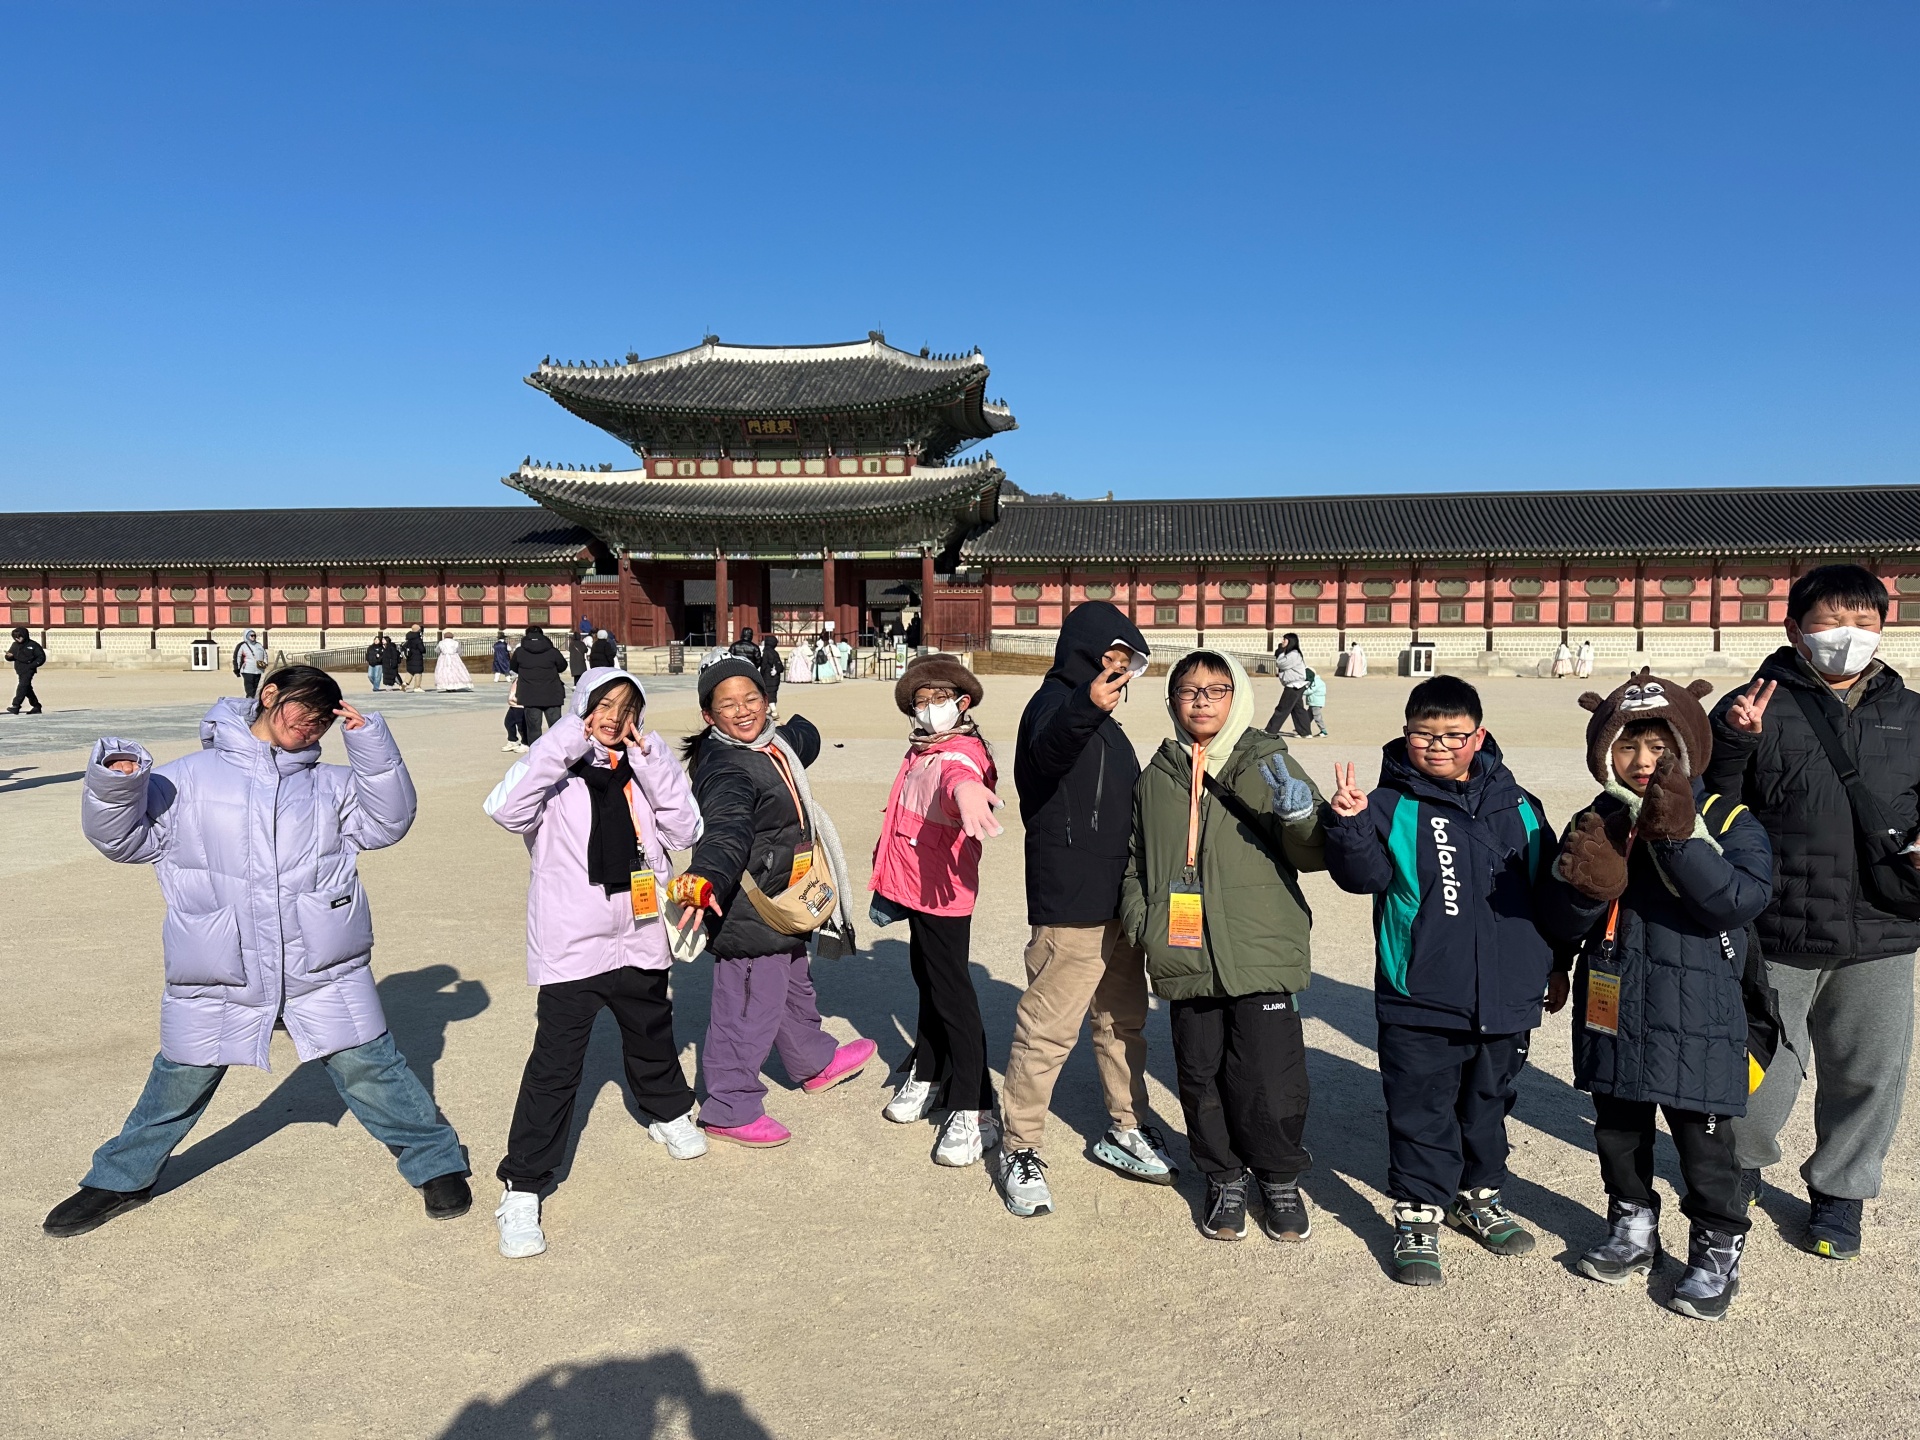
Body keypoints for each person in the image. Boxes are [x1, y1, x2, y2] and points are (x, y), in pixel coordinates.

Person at [43, 666, 471, 1238]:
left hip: (319, 959)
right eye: (304, 707)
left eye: (324, 717)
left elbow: (389, 823)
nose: (312, 723)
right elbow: (121, 841)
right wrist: (118, 784)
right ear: (269, 695)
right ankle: (120, 1178)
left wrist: (369, 742)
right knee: (180, 1077)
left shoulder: (332, 785)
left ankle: (435, 1163)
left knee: (370, 1066)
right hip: (221, 958)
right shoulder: (185, 780)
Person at [1703, 564, 1920, 1262]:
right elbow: (1710, 804)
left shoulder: (1912, 712)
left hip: (1884, 925)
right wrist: (1734, 743)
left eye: (1865, 621)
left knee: (1868, 1071)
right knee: (1760, 1066)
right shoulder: (1748, 705)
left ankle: (1841, 1191)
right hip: (1778, 922)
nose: (1848, 635)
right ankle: (1741, 1164)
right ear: (1795, 628)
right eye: (1832, 620)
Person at [1543, 670, 1772, 1321]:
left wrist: (1676, 838)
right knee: (1618, 1130)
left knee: (1705, 1143)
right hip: (1613, 1000)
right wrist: (1587, 888)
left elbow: (1739, 899)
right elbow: (1560, 919)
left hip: (1699, 1010)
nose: (1642, 761)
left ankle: (1717, 1244)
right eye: (1627, 746)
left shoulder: (1725, 815)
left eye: (1658, 747)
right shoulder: (1597, 818)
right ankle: (1632, 1223)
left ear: (1687, 745)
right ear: (1604, 752)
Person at [1322, 675, 1560, 1285]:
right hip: (1420, 992)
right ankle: (1419, 1212)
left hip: (1507, 994)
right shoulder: (1388, 805)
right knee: (1420, 1106)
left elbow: (1549, 895)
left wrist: (1556, 962)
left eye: (1454, 735)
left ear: (1479, 736)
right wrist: (1349, 826)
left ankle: (1477, 1196)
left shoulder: (1522, 806)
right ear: (1406, 735)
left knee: (1488, 1103)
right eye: (1424, 734)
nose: (1438, 745)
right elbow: (1363, 879)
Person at [482, 666, 708, 1258]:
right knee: (555, 1063)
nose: (613, 718)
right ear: (581, 708)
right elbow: (505, 810)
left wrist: (653, 761)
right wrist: (563, 741)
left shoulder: (642, 768)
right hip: (573, 940)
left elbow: (685, 830)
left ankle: (668, 1112)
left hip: (640, 932)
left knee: (652, 1032)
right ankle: (523, 1184)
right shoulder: (554, 770)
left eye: (626, 709)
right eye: (602, 706)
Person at [1120, 650, 1328, 1242]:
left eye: (1216, 689)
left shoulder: (1267, 760)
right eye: (1189, 690)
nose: (1202, 700)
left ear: (1237, 697)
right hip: (1183, 946)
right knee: (1200, 1071)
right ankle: (1224, 1175)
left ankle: (1279, 1177)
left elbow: (1313, 853)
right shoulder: (1158, 775)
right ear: (1172, 700)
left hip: (1259, 945)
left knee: (1271, 1073)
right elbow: (1135, 858)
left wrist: (1301, 816)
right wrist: (1143, 921)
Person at [998, 602, 1169, 1220]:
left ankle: (1127, 1126)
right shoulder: (1052, 705)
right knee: (1047, 1031)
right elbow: (1045, 759)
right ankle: (1019, 1145)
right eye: (1114, 656)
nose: (1121, 670)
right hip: (1070, 901)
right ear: (1087, 651)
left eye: (1129, 662)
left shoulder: (1108, 726)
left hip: (1118, 898)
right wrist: (1085, 706)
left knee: (1123, 1023)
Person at [670, 658, 873, 1147]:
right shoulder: (726, 769)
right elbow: (725, 832)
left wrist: (806, 729)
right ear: (708, 716)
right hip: (747, 906)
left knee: (794, 983)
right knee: (746, 1008)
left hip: (782, 893)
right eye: (728, 705)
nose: (743, 711)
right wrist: (706, 878)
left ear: (767, 702)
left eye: (752, 699)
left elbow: (801, 740)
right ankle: (729, 1106)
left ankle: (813, 1060)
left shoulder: (772, 743)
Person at [871, 655, 1007, 1166]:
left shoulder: (959, 751)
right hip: (916, 887)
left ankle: (975, 1106)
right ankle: (928, 1072)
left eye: (940, 699)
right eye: (921, 702)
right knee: (927, 981)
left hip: (944, 892)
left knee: (952, 995)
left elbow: (961, 777)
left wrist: (968, 791)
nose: (929, 709)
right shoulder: (921, 750)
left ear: (962, 702)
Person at [511, 625, 569, 742]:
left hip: (529, 694)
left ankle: (536, 751)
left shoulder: (520, 652)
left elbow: (513, 667)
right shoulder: (552, 651)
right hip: (552, 693)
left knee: (533, 729)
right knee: (556, 728)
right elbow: (562, 666)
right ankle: (557, 751)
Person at [1265, 632, 1312, 737]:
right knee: (1298, 709)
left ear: (1290, 641)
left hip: (1294, 685)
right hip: (1295, 685)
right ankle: (1305, 732)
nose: (1282, 641)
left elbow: (1281, 664)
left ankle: (1270, 730)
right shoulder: (1291, 654)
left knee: (1282, 708)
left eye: (1284, 639)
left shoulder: (1293, 654)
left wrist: (1280, 652)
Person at [7, 625, 47, 714]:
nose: (18, 639)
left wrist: (32, 665)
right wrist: (8, 656)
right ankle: (36, 706)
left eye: (19, 637)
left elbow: (41, 657)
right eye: (16, 637)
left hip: (29, 670)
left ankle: (16, 705)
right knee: (26, 688)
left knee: (22, 686)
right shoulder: (15, 645)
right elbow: (11, 656)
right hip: (19, 669)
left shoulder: (33, 645)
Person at [232, 629, 267, 699]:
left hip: (258, 670)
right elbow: (237, 657)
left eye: (254, 635)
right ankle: (249, 699)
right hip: (247, 669)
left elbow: (265, 655)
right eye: (251, 635)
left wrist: (265, 663)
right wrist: (237, 669)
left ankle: (253, 699)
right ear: (247, 636)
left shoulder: (259, 645)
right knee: (249, 687)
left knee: (255, 687)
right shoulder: (242, 646)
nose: (253, 637)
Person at [502, 676, 528, 752]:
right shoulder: (517, 678)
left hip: (520, 705)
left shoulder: (525, 678)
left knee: (521, 726)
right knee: (508, 723)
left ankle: (526, 743)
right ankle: (512, 740)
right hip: (513, 705)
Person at [759, 632, 783, 710]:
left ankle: (773, 710)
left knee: (768, 693)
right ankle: (773, 709)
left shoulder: (766, 652)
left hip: (767, 675)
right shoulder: (775, 653)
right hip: (775, 676)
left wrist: (761, 674)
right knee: (773, 692)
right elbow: (780, 665)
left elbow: (764, 664)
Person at [1304, 667, 1330, 737]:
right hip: (1312, 702)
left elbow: (1310, 691)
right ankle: (1303, 728)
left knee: (1317, 716)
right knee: (1307, 716)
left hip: (1316, 703)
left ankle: (1323, 730)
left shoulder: (1316, 682)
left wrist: (1301, 692)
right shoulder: (1313, 681)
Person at [403, 623, 426, 692]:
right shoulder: (417, 639)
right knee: (418, 672)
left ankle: (404, 684)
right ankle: (417, 687)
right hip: (417, 657)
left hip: (410, 658)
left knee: (410, 671)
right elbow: (422, 649)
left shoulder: (408, 638)